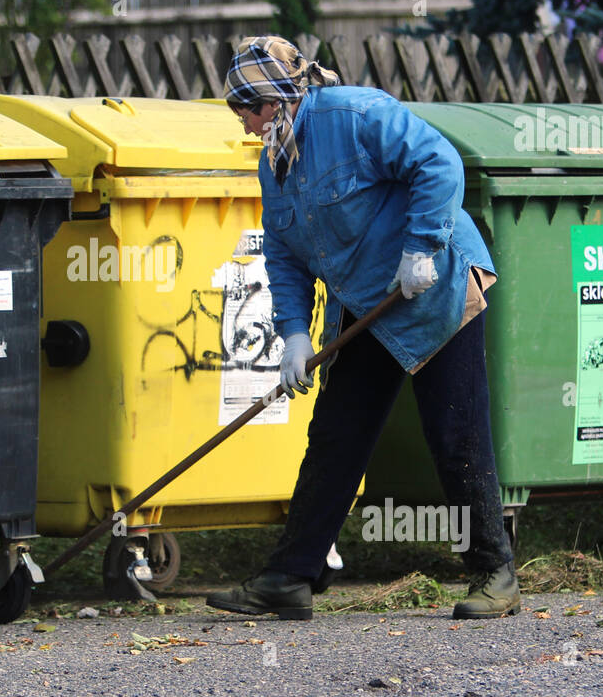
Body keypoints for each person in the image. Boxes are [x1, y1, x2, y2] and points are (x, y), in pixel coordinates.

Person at [205, 35, 519, 621]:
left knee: (455, 437)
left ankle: (495, 575)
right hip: (367, 305)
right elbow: (284, 253)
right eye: (236, 109)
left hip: (437, 287)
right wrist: (295, 332)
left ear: (277, 98)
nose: (244, 122)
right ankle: (289, 578)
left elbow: (440, 164)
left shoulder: (357, 115)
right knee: (336, 435)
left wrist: (422, 249)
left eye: (248, 107)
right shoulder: (275, 163)